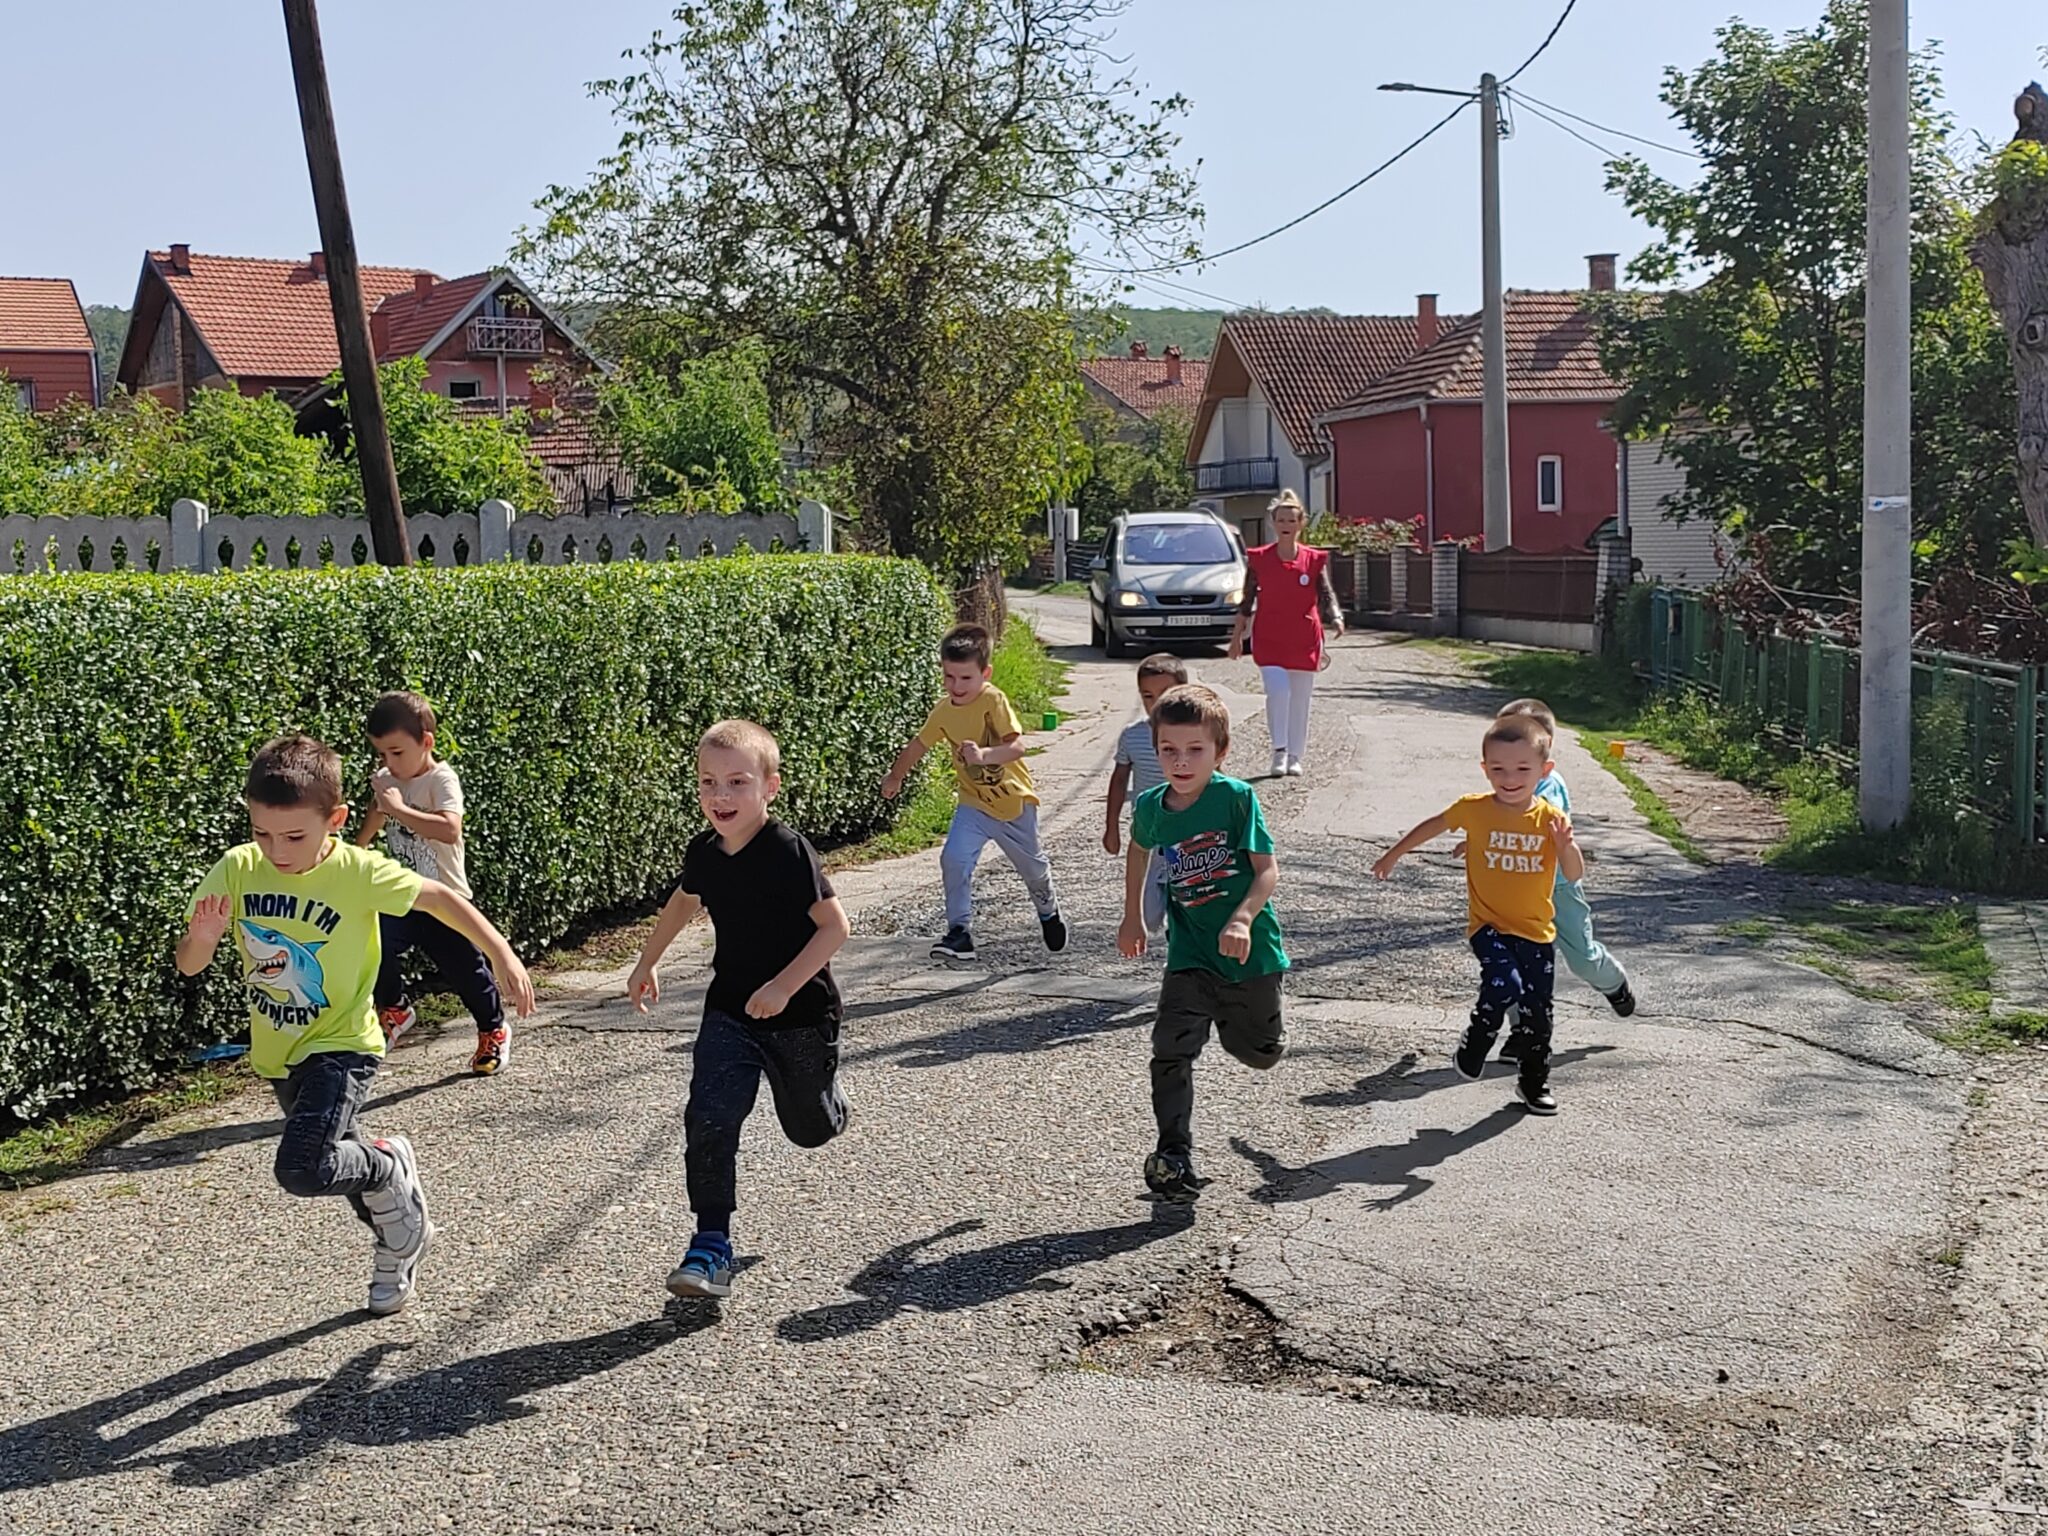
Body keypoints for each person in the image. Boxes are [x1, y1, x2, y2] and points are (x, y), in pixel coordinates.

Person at [177, 735, 535, 1315]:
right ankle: (398, 1239)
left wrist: (501, 954)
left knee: (301, 1167)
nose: (276, 850)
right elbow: (190, 964)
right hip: (279, 1051)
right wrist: (203, 939)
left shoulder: (358, 871)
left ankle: (390, 1164)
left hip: (344, 1044)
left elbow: (440, 898)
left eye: (295, 836)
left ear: (336, 820)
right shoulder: (238, 868)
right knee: (335, 1164)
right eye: (262, 833)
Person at [628, 720, 852, 1301]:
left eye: (737, 782)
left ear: (769, 787)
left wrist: (782, 987)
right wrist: (647, 961)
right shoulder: (704, 851)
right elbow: (684, 900)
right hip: (730, 1009)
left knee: (809, 1129)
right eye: (708, 782)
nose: (720, 795)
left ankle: (830, 1104)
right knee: (710, 1115)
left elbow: (834, 928)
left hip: (801, 1014)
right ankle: (710, 1244)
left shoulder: (787, 851)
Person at [1118, 684, 1289, 1203]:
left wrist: (1241, 919)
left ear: (1221, 751)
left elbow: (1267, 870)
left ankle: (1262, 1036)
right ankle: (1173, 1154)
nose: (1181, 761)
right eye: (1169, 749)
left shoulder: (1235, 798)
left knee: (1256, 1053)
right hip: (1189, 953)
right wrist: (1132, 917)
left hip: (1249, 955)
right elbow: (1138, 850)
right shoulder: (1152, 806)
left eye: (1195, 750)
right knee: (1169, 1049)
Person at [1370, 713, 1585, 1116]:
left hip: (1537, 933)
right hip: (1489, 926)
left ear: (1544, 770)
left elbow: (1573, 874)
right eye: (1499, 769)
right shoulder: (1475, 809)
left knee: (1538, 1015)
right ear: (1485, 769)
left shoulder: (1551, 820)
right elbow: (1433, 826)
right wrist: (1393, 854)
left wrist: (1565, 847)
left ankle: (1534, 1083)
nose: (1510, 778)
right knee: (1505, 984)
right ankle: (1478, 1037)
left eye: (1522, 769)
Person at [880, 623, 1066, 963]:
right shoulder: (944, 711)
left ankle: (1047, 909)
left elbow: (1017, 747)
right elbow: (918, 745)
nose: (956, 686)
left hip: (1013, 804)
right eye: (949, 677)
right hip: (974, 804)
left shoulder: (993, 700)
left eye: (966, 678)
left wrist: (983, 756)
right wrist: (895, 776)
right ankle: (959, 932)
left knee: (1033, 870)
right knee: (954, 858)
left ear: (985, 673)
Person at [354, 691, 511, 1076]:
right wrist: (357, 849)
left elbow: (449, 829)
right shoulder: (389, 780)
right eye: (381, 754)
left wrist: (399, 808)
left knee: (467, 972)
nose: (388, 762)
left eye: (396, 752)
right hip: (404, 896)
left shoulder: (441, 779)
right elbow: (377, 813)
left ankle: (493, 1029)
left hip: (446, 900)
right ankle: (395, 1008)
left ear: (426, 742)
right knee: (368, 942)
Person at [1493, 699, 1636, 1054]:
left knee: (1582, 958)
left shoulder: (1549, 785)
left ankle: (1612, 980)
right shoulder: (1504, 784)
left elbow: (1541, 818)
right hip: (1516, 891)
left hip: (1557, 888)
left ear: (1544, 746)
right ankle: (1523, 1030)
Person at [1227, 488, 1345, 777]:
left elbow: (1325, 592)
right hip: (1270, 637)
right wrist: (1236, 637)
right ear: (1273, 523)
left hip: (1304, 637)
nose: (1286, 525)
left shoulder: (1313, 559)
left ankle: (1295, 756)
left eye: (1292, 520)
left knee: (1300, 699)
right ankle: (1279, 751)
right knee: (1278, 692)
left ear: (1301, 523)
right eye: (1281, 520)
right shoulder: (1259, 559)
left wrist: (1336, 616)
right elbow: (1247, 599)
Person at [1103, 653, 1188, 937]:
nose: (1156, 703)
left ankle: (1181, 942)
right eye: (1148, 696)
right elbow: (1119, 780)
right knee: (1150, 915)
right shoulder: (1133, 735)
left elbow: (1216, 777)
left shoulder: (1195, 735)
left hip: (1187, 832)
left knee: (1188, 900)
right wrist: (1111, 827)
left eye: (1165, 694)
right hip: (1149, 834)